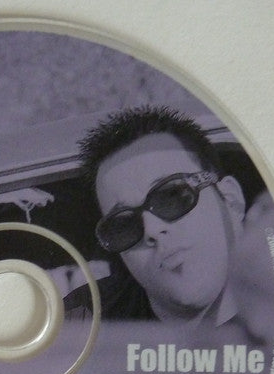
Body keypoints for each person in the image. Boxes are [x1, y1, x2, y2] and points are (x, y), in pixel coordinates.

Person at [65, 106, 246, 326]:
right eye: (125, 224)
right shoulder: (83, 317)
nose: (151, 229)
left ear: (231, 200)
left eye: (172, 196)